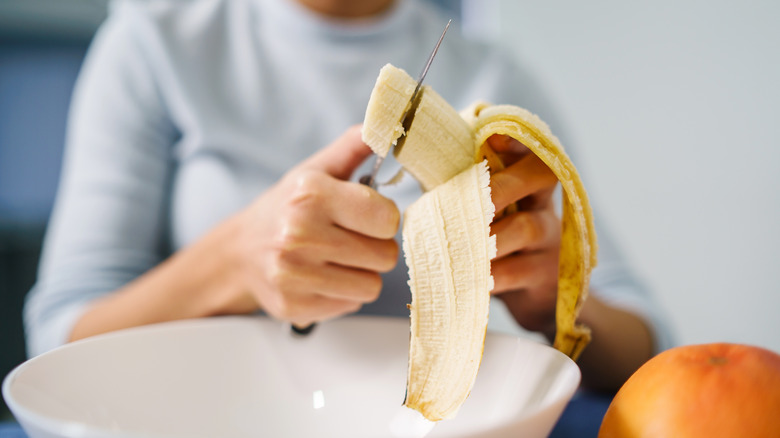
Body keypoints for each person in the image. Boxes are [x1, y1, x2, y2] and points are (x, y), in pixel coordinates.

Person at [25, 0, 673, 393]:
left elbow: (646, 347)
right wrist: (234, 264)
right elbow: (56, 342)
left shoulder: (490, 73)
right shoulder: (152, 42)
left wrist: (552, 295)